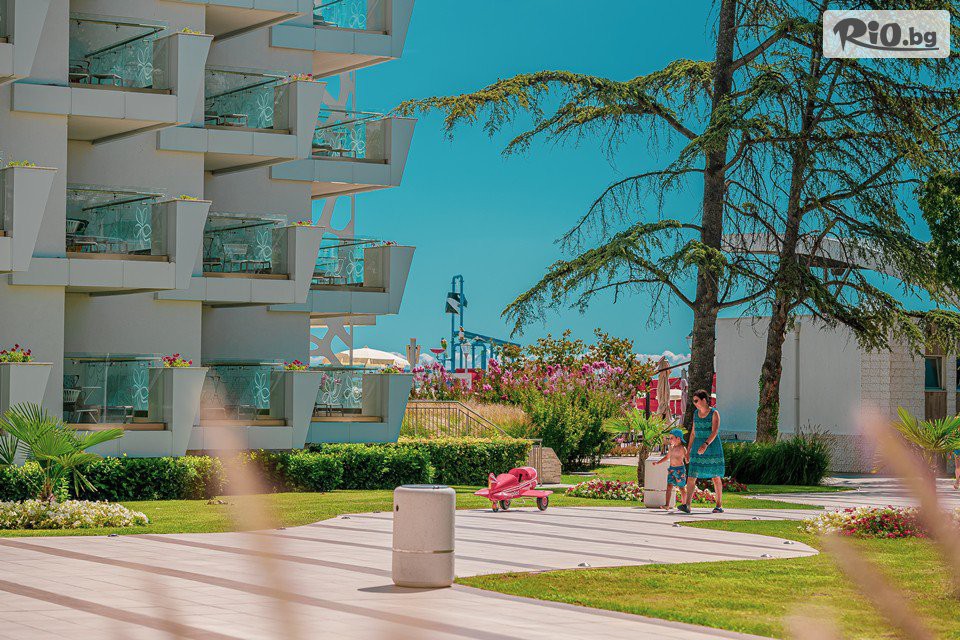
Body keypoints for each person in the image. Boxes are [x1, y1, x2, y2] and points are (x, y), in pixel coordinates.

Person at [679, 389, 725, 514]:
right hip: (697, 445)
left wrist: (705, 444)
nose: (695, 403)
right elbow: (693, 433)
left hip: (712, 446)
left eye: (696, 401)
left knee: (715, 476)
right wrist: (688, 450)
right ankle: (687, 505)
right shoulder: (695, 413)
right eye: (694, 401)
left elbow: (715, 432)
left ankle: (719, 505)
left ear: (704, 400)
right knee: (691, 475)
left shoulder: (714, 413)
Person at [653, 428, 687, 510]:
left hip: (680, 470)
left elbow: (687, 459)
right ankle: (667, 505)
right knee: (669, 486)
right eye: (669, 438)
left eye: (672, 438)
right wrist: (658, 462)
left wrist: (689, 459)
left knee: (681, 487)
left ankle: (684, 504)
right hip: (671, 469)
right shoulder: (671, 448)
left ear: (678, 438)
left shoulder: (683, 448)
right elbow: (667, 457)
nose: (670, 440)